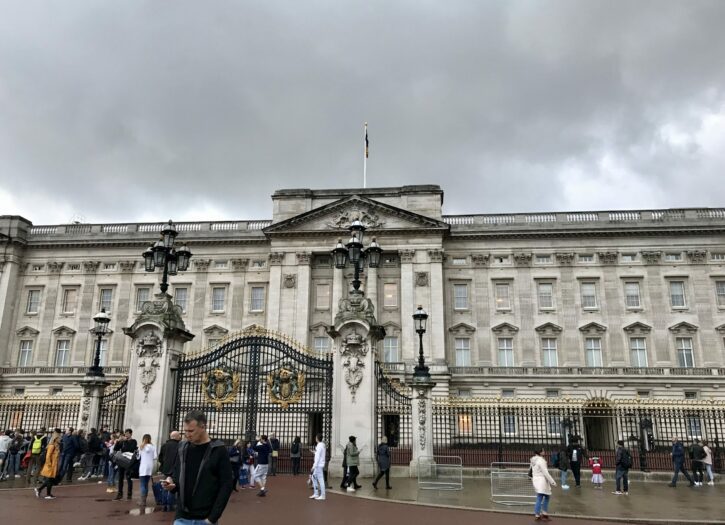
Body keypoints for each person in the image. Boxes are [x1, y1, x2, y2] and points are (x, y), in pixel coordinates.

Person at [164, 410, 233, 525]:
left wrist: (212, 518)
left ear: (203, 427)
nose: (187, 434)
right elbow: (176, 475)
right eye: (185, 431)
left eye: (191, 431)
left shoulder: (218, 450)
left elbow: (226, 485)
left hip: (205, 518)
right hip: (181, 517)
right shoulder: (182, 447)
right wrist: (171, 483)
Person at [530, 447, 556, 521]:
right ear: (540, 452)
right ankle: (541, 514)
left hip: (536, 479)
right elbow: (545, 472)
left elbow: (531, 470)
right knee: (542, 497)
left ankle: (539, 514)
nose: (544, 452)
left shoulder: (533, 460)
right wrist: (552, 482)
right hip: (542, 480)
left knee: (542, 496)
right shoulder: (541, 461)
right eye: (543, 450)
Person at [113, 428, 138, 501]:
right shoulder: (122, 441)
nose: (126, 435)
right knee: (120, 478)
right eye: (125, 433)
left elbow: (131, 449)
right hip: (121, 461)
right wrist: (118, 442)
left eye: (127, 433)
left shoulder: (133, 441)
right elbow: (116, 448)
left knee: (128, 478)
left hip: (128, 462)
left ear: (130, 434)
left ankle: (129, 494)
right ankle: (119, 494)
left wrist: (126, 441)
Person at [36, 432, 61, 499]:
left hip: (54, 465)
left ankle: (40, 490)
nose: (60, 439)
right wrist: (49, 464)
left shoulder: (56, 445)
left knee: (50, 479)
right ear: (55, 438)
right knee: (50, 479)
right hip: (50, 465)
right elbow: (48, 455)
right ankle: (47, 494)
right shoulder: (52, 446)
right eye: (59, 438)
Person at [137, 434, 157, 507]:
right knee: (146, 484)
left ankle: (143, 501)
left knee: (142, 484)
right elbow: (155, 457)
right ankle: (144, 500)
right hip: (150, 466)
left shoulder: (142, 446)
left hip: (143, 466)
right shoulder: (153, 446)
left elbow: (138, 457)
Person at [309, 433, 326, 501]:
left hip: (318, 465)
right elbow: (319, 454)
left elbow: (318, 457)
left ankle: (322, 495)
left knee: (321, 480)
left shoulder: (319, 446)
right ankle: (316, 493)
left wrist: (314, 466)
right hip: (319, 465)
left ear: (317, 438)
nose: (315, 438)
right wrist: (314, 452)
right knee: (313, 477)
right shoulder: (322, 445)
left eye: (316, 437)